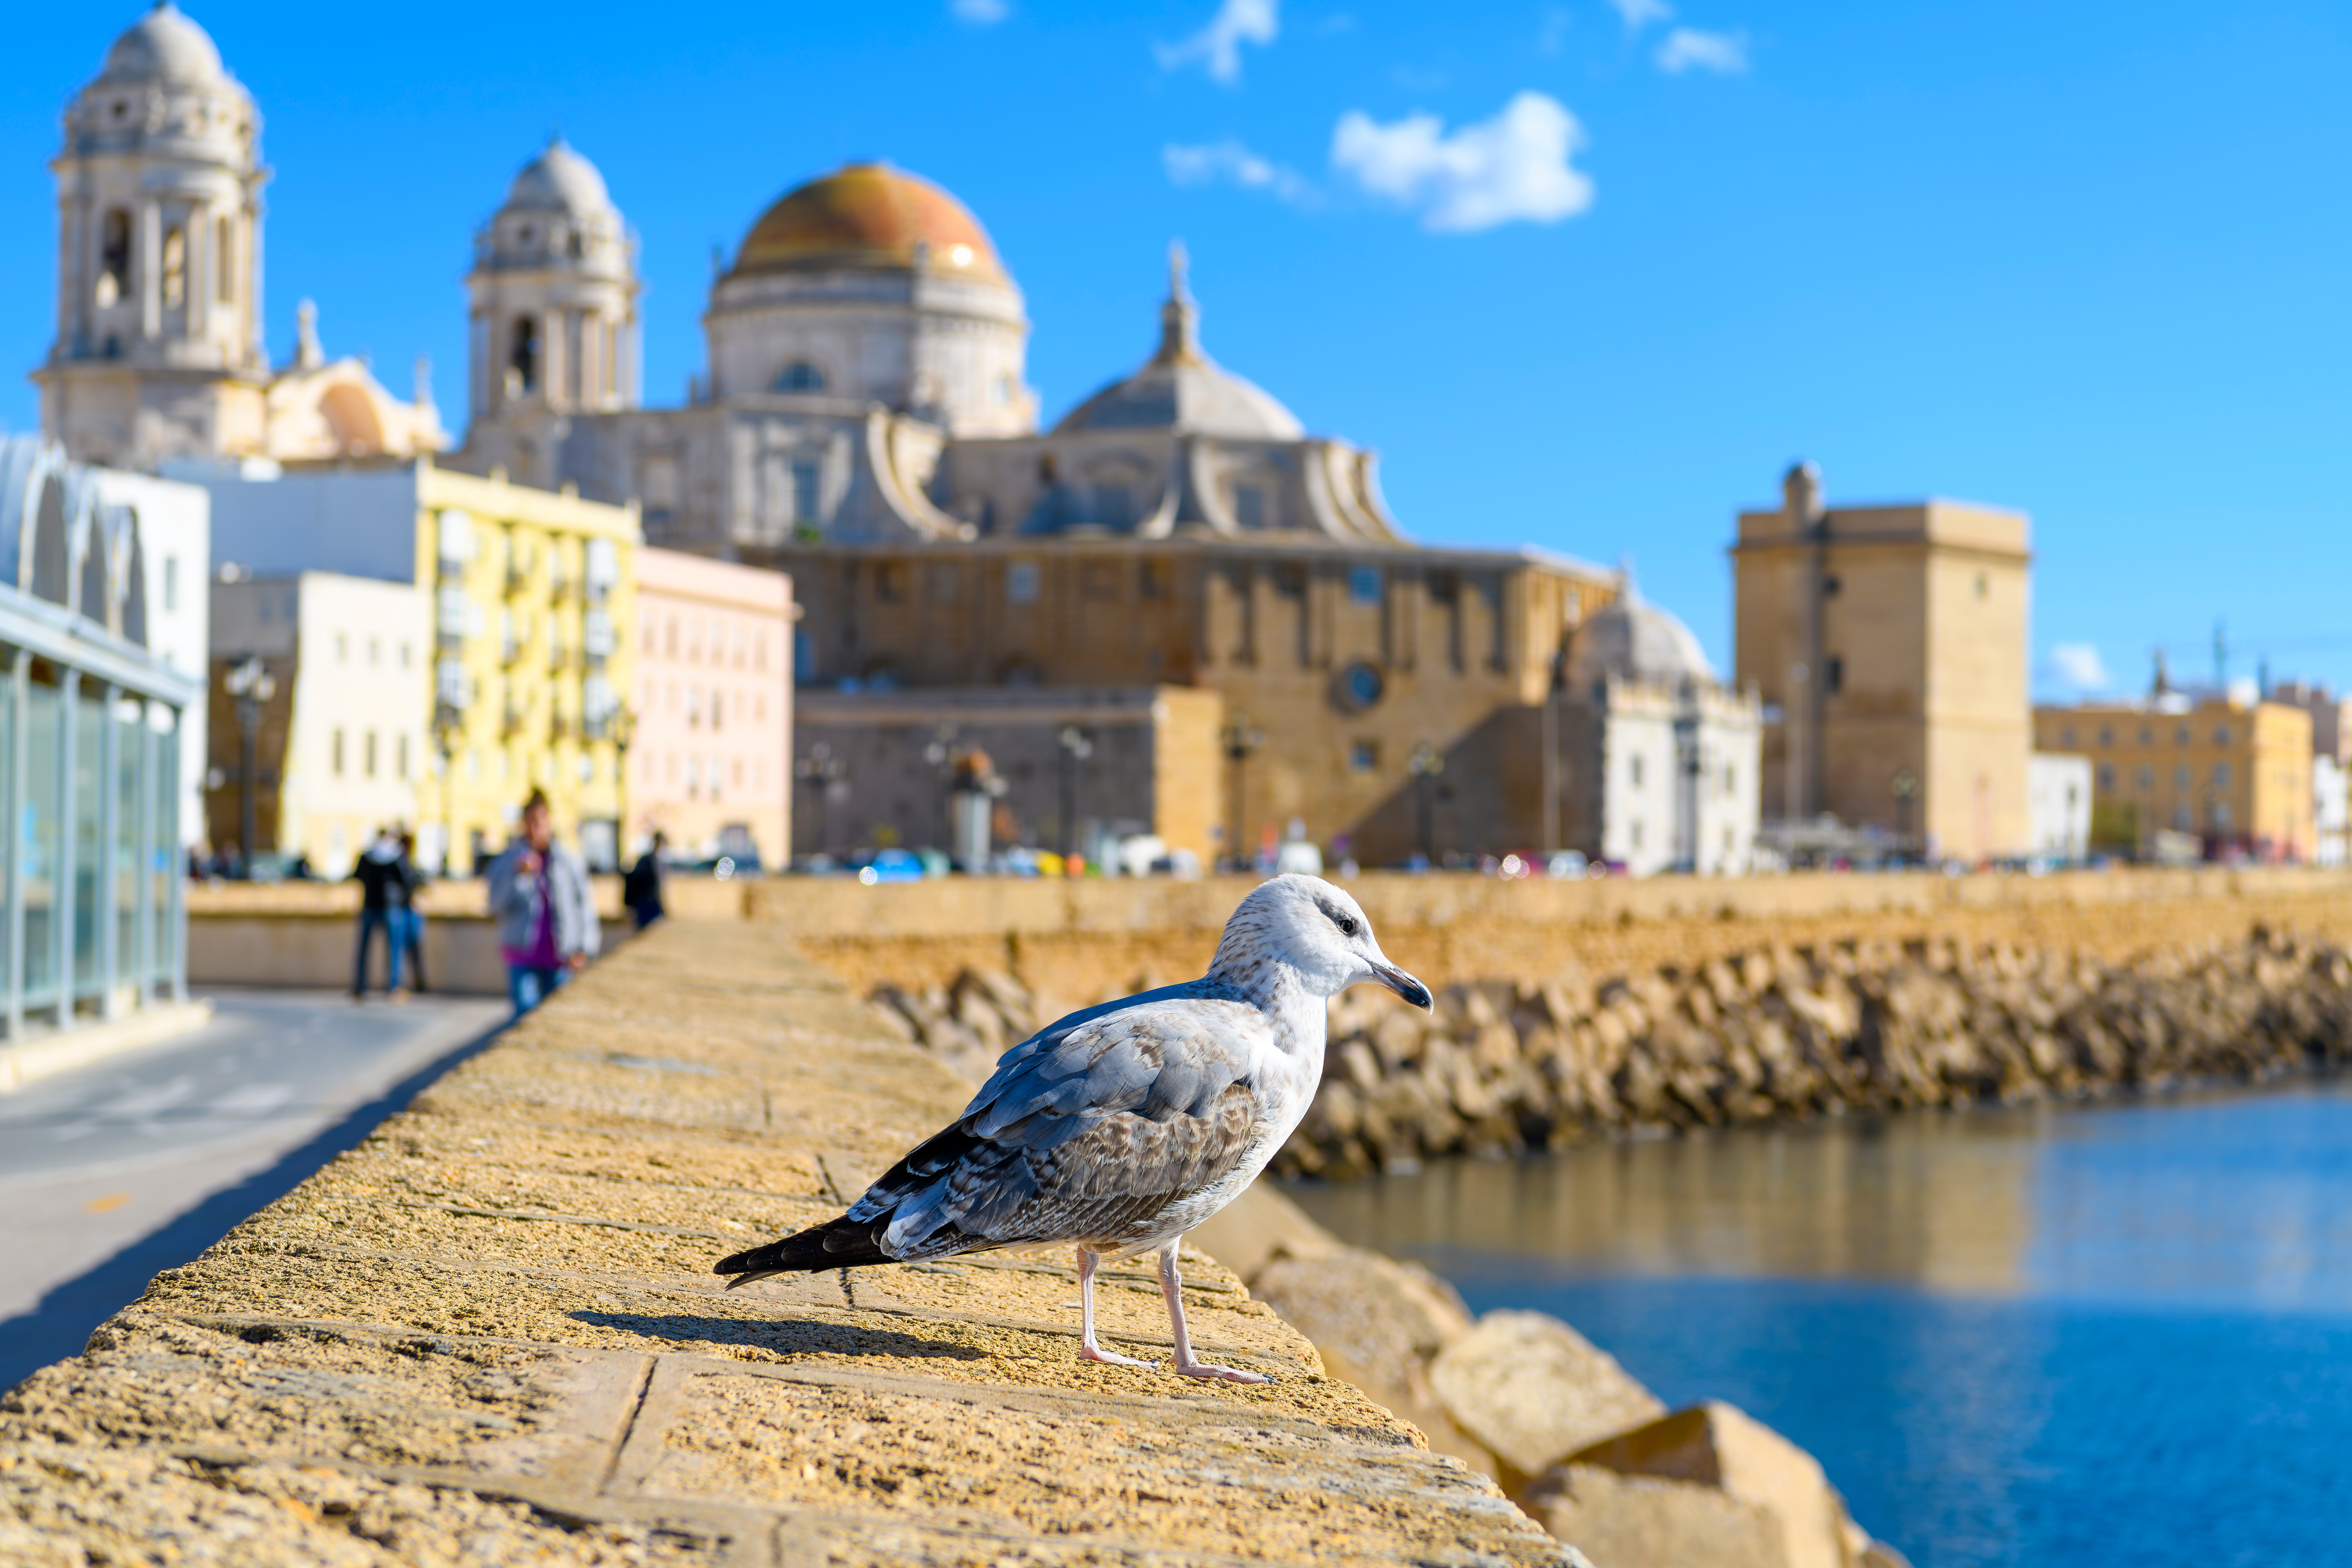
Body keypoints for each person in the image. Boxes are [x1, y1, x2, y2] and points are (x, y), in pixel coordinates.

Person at [486, 789, 599, 1018]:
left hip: (561, 955)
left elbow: (584, 906)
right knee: (523, 1018)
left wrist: (584, 948)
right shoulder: (508, 860)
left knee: (556, 1019)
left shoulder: (568, 861)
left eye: (541, 822)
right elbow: (495, 904)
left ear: (550, 822)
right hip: (522, 953)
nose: (536, 829)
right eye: (531, 823)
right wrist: (518, 876)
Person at [350, 827, 419, 1001]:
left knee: (364, 949)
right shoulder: (396, 855)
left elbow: (357, 876)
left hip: (369, 904)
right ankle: (393, 987)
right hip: (391, 906)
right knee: (395, 950)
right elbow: (406, 879)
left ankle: (360, 986)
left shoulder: (367, 856)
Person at [397, 828, 429, 993]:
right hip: (402, 910)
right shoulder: (399, 864)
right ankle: (400, 983)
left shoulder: (411, 864)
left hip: (411, 910)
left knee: (414, 947)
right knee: (401, 950)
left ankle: (418, 981)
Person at [623, 830, 667, 931]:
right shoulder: (647, 860)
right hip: (645, 904)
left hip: (652, 905)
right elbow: (636, 881)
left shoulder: (656, 861)